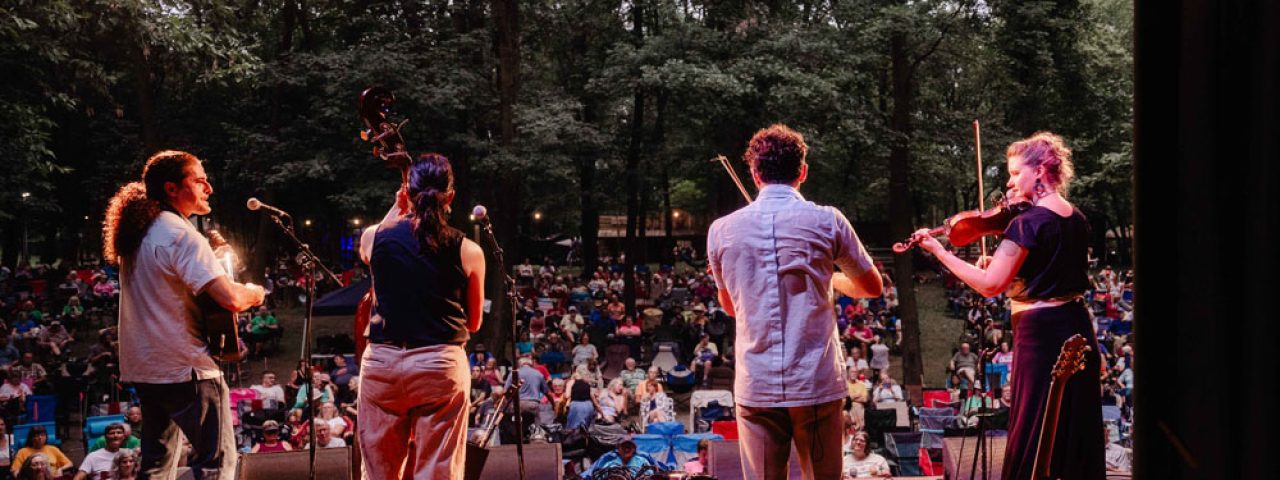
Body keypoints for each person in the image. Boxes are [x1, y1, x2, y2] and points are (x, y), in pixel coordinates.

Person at [912, 132, 1104, 479]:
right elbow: (1049, 272)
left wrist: (941, 252)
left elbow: (990, 286)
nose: (1010, 181)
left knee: (1036, 420)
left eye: (1016, 173)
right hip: (1075, 325)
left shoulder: (1027, 222)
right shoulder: (1076, 218)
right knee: (1072, 424)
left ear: (1042, 170)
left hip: (1041, 335)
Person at [102, 150, 264, 480]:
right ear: (172, 188)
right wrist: (255, 292)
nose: (209, 188)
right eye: (199, 180)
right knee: (215, 466)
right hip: (187, 369)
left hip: (146, 367)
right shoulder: (181, 234)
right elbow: (230, 298)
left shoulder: (141, 233)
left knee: (157, 468)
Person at [356, 153, 485, 479]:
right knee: (439, 471)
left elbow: (371, 247)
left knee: (378, 474)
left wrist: (399, 204)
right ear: (450, 197)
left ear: (407, 194)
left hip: (383, 365)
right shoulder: (468, 250)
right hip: (439, 367)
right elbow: (473, 323)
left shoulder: (374, 236)